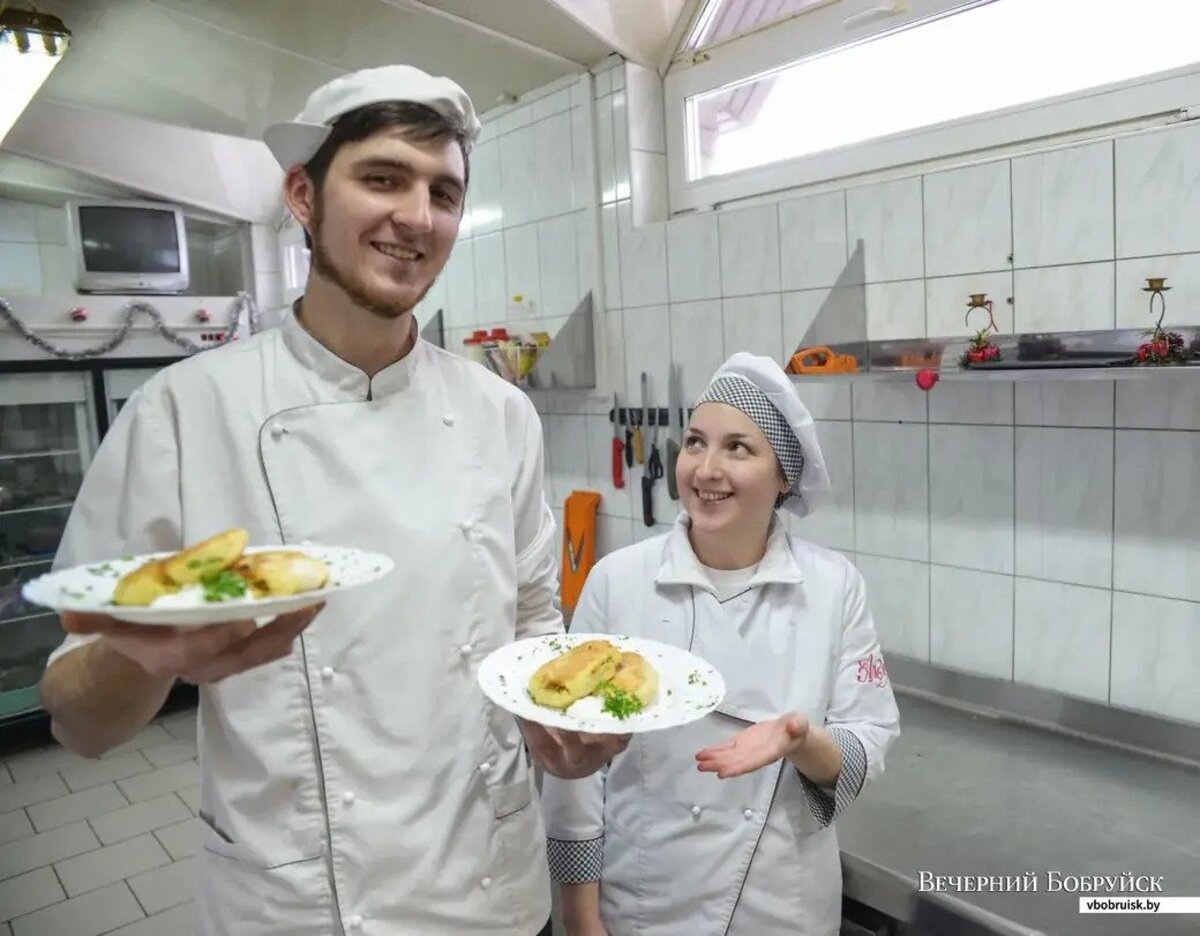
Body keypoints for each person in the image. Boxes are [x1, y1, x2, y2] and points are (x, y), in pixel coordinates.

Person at [37, 65, 627, 936]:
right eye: (383, 178)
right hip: (305, 905)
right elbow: (77, 722)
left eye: (444, 193)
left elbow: (532, 614)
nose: (417, 217)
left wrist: (555, 715)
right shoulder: (185, 412)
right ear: (303, 196)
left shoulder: (501, 413)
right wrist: (147, 655)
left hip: (491, 892)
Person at [541, 352, 901, 936]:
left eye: (738, 447)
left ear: (784, 475)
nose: (706, 469)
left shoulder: (835, 588)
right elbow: (575, 768)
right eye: (694, 442)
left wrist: (801, 739)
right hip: (642, 904)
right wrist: (581, 920)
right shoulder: (617, 580)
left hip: (780, 907)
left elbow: (866, 746)